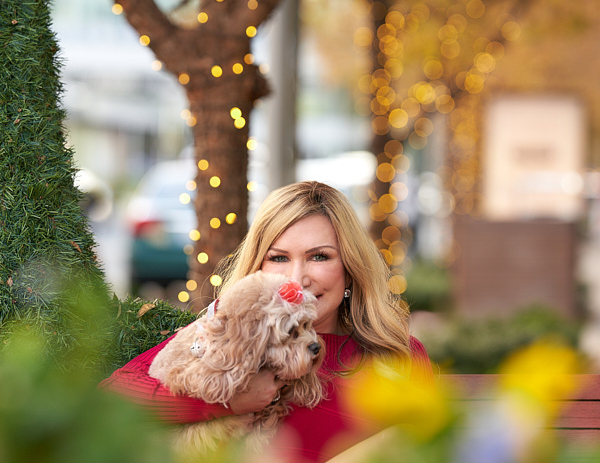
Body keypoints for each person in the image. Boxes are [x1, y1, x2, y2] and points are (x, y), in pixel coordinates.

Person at [100, 180, 434, 462]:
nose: (297, 278)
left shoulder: (398, 355)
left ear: (350, 267)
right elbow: (111, 399)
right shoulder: (228, 333)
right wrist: (227, 402)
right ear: (258, 268)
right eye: (279, 258)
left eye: (320, 256)